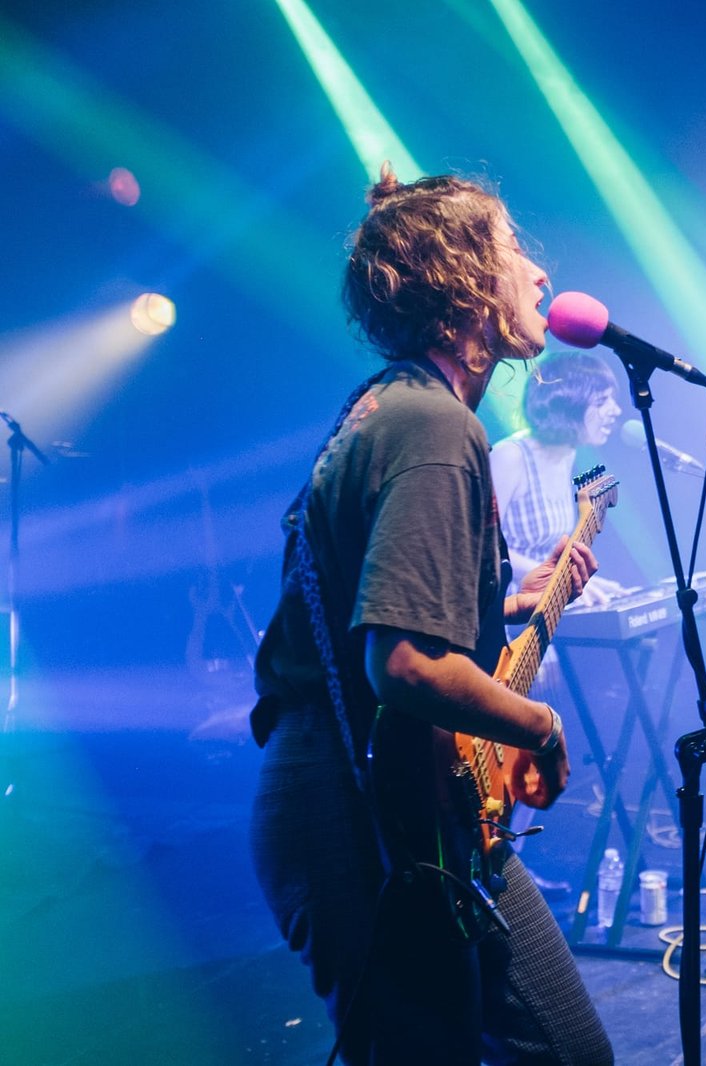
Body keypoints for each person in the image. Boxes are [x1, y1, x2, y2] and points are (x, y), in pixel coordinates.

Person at [248, 166, 613, 1065]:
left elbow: (370, 609)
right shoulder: (436, 427)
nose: (537, 272)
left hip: (402, 796)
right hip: (354, 808)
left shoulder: (394, 406)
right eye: (514, 249)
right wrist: (540, 723)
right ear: (464, 286)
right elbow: (403, 663)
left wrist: (501, 595)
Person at [490, 350, 624, 591]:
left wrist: (590, 584)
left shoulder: (566, 455)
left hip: (544, 601)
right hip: (506, 610)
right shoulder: (510, 456)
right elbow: (483, 546)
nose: (616, 410)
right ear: (567, 405)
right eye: (602, 401)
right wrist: (558, 578)